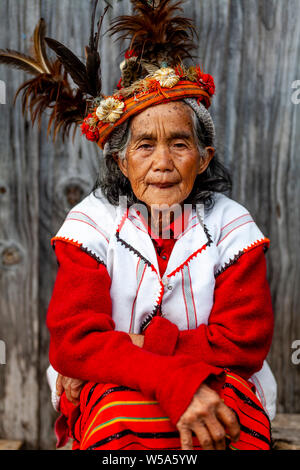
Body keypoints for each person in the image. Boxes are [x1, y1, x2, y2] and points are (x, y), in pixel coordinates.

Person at [1, 0, 276, 451]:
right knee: (122, 428)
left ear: (204, 157)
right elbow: (74, 343)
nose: (163, 163)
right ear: (121, 161)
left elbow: (241, 346)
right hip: (116, 386)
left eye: (181, 143)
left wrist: (131, 343)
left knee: (225, 428)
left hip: (222, 381)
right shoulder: (90, 223)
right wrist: (170, 375)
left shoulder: (232, 225)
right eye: (145, 145)